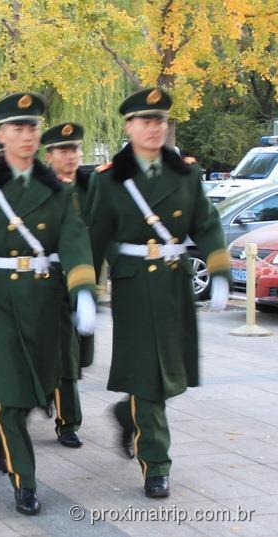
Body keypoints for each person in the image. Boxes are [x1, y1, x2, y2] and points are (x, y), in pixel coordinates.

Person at [0, 92, 96, 515]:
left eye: (32, 127)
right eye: (18, 127)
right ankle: (24, 482)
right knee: (13, 398)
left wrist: (82, 286)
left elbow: (73, 240)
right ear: (1, 134)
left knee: (36, 392)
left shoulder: (57, 191)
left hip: (45, 303)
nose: (27, 135)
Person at [85, 87, 230, 499]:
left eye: (160, 121)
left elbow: (206, 222)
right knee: (150, 379)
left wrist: (218, 269)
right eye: (145, 121)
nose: (154, 128)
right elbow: (93, 235)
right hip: (133, 286)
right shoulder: (109, 178)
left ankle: (126, 414)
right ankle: (157, 465)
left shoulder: (185, 173)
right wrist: (82, 291)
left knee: (167, 376)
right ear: (129, 126)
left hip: (173, 283)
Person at [41, 122, 94, 448]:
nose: (71, 155)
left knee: (74, 355)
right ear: (49, 156)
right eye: (63, 150)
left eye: (75, 149)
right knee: (60, 353)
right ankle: (66, 419)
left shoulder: (92, 186)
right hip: (48, 280)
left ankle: (64, 413)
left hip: (82, 281)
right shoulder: (40, 189)